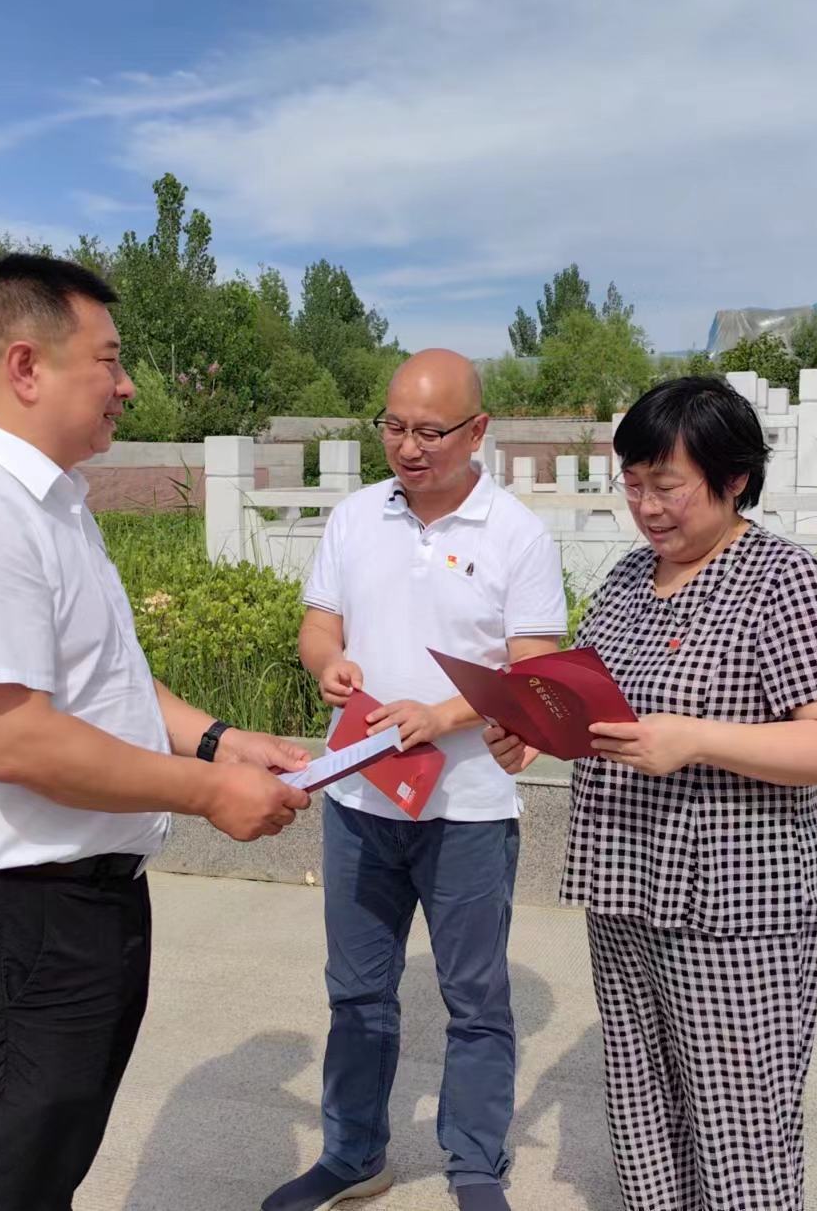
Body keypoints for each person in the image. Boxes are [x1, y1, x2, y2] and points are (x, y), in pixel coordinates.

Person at [0, 253, 312, 1211]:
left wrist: (220, 741)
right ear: (26, 366)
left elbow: (107, 679)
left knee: (36, 1178)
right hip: (13, 925)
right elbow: (17, 740)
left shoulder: (51, 504)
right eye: (108, 360)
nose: (127, 384)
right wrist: (210, 792)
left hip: (76, 910)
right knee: (2, 1187)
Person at [485, 375, 817, 1211]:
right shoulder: (627, 580)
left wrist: (695, 737)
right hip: (624, 885)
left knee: (739, 1125)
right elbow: (595, 707)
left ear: (734, 479)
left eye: (667, 485)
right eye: (632, 484)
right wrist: (531, 731)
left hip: (738, 902)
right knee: (643, 1108)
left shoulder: (785, 582)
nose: (647, 507)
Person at [266, 349, 568, 1211]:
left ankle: (474, 1164)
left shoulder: (517, 534)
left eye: (430, 431)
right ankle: (353, 1153)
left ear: (478, 431)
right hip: (359, 797)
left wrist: (442, 715)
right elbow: (318, 624)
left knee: (474, 997)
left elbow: (533, 669)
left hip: (467, 807)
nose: (407, 446)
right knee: (357, 991)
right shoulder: (355, 516)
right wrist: (327, 663)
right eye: (393, 426)